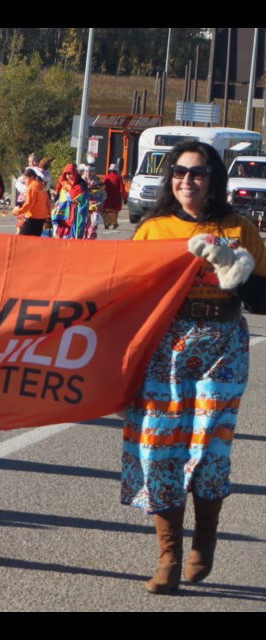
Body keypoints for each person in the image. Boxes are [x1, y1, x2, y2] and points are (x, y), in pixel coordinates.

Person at [124, 140, 266, 594]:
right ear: (170, 179)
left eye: (198, 172)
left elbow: (264, 299)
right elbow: (124, 293)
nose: (188, 180)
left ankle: (205, 538)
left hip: (223, 344)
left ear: (214, 179)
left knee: (209, 447)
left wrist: (236, 271)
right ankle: (168, 556)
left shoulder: (239, 228)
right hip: (165, 348)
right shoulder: (152, 229)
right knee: (159, 447)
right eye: (180, 172)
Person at [51, 163, 93, 239]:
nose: (68, 176)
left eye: (70, 174)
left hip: (75, 218)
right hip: (63, 218)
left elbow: (83, 201)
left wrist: (69, 195)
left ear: (75, 174)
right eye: (66, 174)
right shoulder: (65, 186)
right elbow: (61, 202)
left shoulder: (81, 186)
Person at [9, 168, 50, 236]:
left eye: (25, 178)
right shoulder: (41, 186)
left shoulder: (32, 187)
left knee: (21, 238)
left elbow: (29, 204)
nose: (24, 181)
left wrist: (17, 211)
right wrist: (48, 214)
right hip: (42, 217)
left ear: (32, 177)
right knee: (35, 239)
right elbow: (47, 202)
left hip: (33, 217)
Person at [102, 164, 127, 230]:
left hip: (106, 199)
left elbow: (102, 188)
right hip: (115, 199)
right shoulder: (119, 178)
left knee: (106, 211)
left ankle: (106, 223)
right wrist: (125, 197)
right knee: (114, 212)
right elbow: (122, 189)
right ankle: (114, 223)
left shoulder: (105, 177)